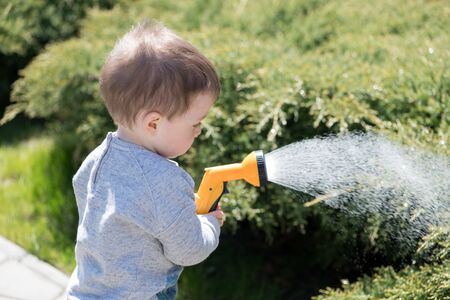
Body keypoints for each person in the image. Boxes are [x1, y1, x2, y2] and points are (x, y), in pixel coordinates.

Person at [66, 19, 224, 300]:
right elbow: (188, 250)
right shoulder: (162, 180)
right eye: (195, 123)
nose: (199, 131)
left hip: (87, 290)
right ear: (154, 123)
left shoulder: (98, 159)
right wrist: (210, 223)